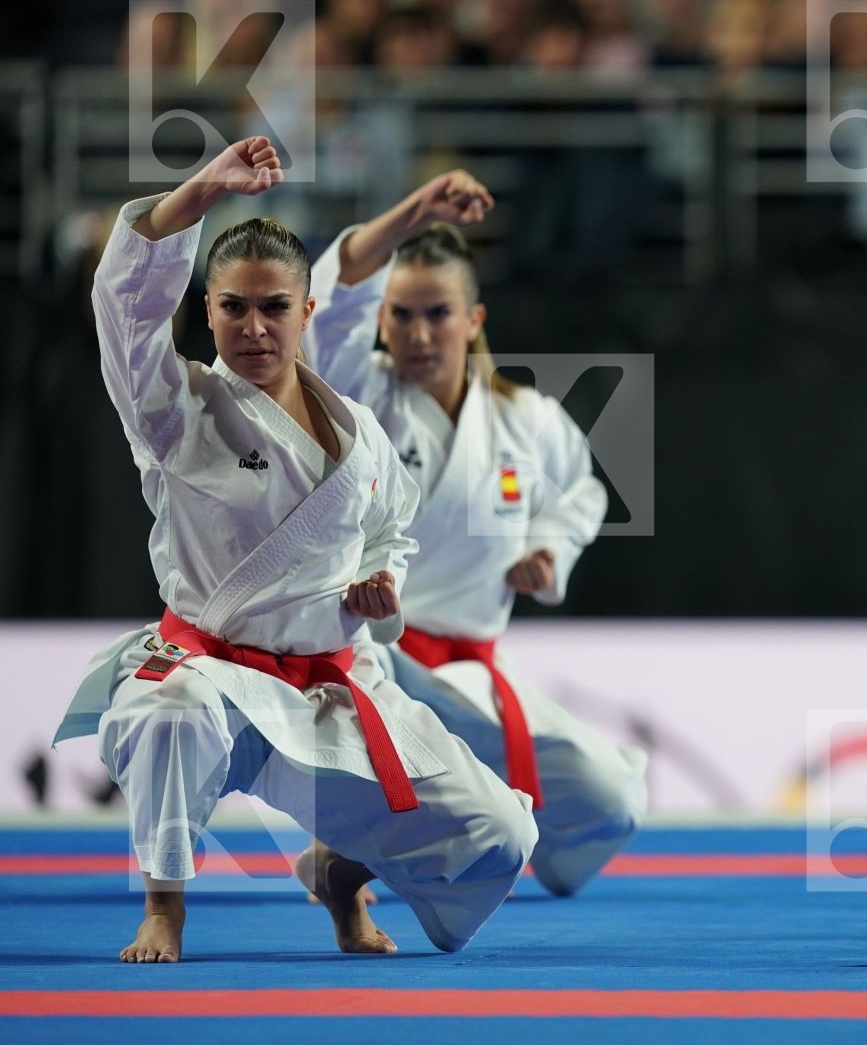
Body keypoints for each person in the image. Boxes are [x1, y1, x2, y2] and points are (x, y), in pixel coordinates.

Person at [55, 138, 539, 962]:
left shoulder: (362, 433)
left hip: (324, 692)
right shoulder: (178, 408)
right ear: (205, 309)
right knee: (164, 709)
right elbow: (125, 306)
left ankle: (339, 872)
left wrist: (377, 583)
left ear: (306, 312)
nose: (253, 326)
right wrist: (204, 189)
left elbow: (393, 530)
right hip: (211, 678)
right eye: (233, 306)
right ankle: (164, 907)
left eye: (273, 306)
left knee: (499, 836)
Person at [302, 170, 647, 899]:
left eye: (437, 313)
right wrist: (413, 212)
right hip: (375, 668)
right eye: (400, 315)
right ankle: (356, 850)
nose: (418, 334)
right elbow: (334, 300)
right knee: (457, 866)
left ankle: (404, 846)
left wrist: (548, 555)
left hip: (472, 676)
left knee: (613, 800)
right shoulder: (355, 396)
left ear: (474, 318)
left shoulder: (527, 418)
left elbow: (581, 494)